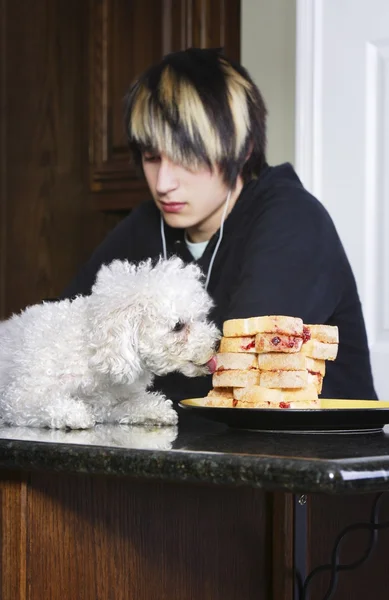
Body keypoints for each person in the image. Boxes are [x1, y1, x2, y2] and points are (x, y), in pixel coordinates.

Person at [61, 47, 377, 402]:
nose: (163, 183)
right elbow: (63, 336)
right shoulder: (146, 224)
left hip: (318, 453)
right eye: (151, 157)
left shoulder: (293, 221)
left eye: (186, 157)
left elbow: (236, 377)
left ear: (242, 149)